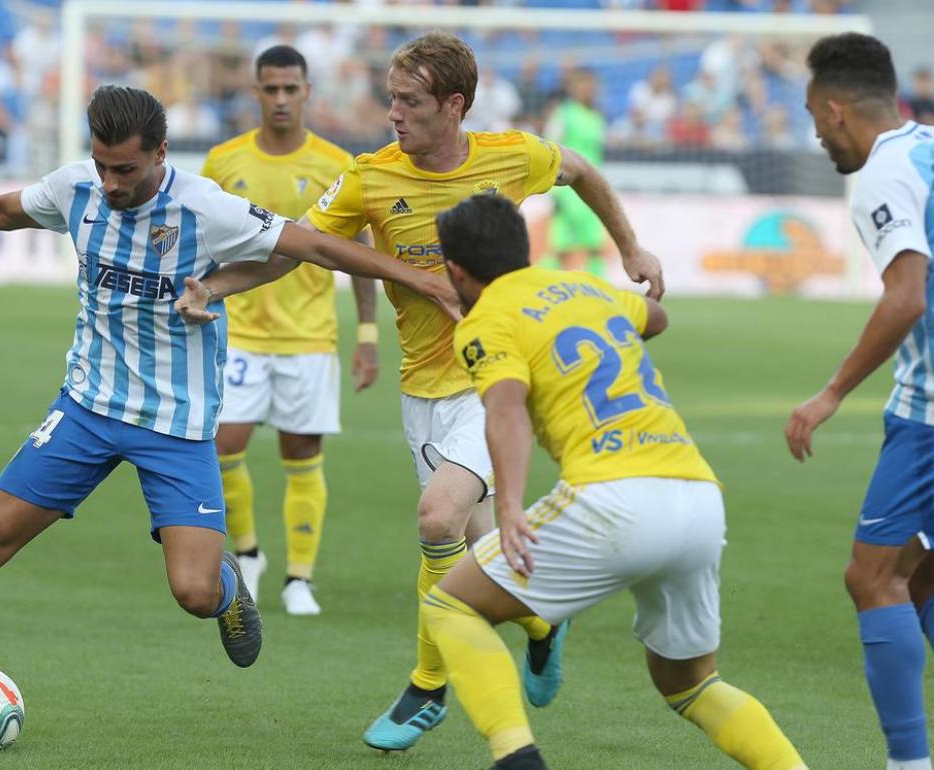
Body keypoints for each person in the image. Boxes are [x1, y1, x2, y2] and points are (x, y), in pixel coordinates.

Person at [0, 84, 457, 747]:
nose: (110, 182)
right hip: (86, 408)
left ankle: (225, 588)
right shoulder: (78, 190)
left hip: (175, 427)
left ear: (159, 153)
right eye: (102, 166)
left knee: (193, 592)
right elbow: (2, 209)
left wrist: (422, 281)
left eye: (125, 169)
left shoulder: (205, 208)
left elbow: (315, 246)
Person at [175, 31, 664, 752]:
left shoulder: (511, 156)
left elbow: (584, 171)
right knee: (481, 548)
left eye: (409, 102)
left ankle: (426, 688)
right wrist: (215, 287)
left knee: (437, 520)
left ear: (455, 105)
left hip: (496, 377)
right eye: (391, 99)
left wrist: (629, 247)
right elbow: (295, 249)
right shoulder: (371, 178)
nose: (393, 114)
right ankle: (540, 620)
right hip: (423, 389)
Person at [422, 192, 808, 770]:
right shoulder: (585, 286)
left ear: (455, 271)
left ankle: (516, 757)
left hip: (614, 499)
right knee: (691, 685)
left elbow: (503, 410)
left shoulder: (484, 323)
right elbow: (656, 316)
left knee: (451, 606)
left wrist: (507, 510)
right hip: (697, 496)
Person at [788, 33, 934, 770]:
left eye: (815, 117)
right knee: (924, 574)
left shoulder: (885, 174)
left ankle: (906, 764)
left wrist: (829, 393)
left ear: (836, 107)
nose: (816, 133)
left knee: (872, 576)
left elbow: (905, 297)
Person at [200, 45, 380, 616]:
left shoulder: (336, 163)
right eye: (270, 89)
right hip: (241, 333)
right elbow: (199, 236)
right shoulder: (224, 161)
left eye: (290, 89)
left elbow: (360, 251)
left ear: (307, 92)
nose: (280, 99)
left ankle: (300, 578)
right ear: (255, 92)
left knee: (302, 451)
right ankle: (249, 554)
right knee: (224, 444)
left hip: (309, 336)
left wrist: (370, 336)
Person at [544, 68, 609, 275]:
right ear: (573, 87)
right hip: (567, 189)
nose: (588, 89)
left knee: (595, 246)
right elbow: (549, 147)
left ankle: (600, 291)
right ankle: (543, 284)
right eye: (583, 84)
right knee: (560, 248)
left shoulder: (598, 118)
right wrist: (553, 186)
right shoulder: (563, 114)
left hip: (593, 186)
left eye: (591, 85)